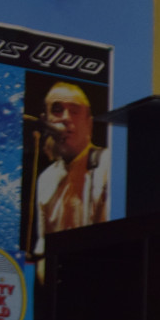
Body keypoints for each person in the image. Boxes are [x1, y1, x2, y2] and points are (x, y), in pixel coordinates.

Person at [32, 81, 110, 273]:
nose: (66, 118)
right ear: (46, 120)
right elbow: (43, 248)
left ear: (88, 123)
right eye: (57, 110)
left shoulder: (107, 163)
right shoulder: (46, 179)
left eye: (74, 111)